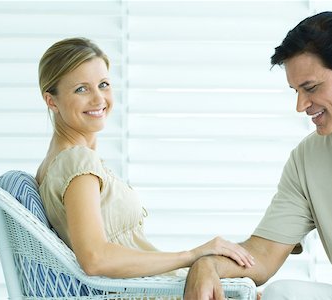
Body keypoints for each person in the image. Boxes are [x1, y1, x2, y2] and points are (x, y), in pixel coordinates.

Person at [184, 11, 332, 300]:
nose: (301, 105)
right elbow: (263, 254)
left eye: (310, 88)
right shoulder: (308, 158)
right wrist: (206, 264)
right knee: (281, 293)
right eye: (296, 91)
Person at [35, 37, 255, 279]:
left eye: (104, 84)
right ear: (51, 101)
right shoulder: (77, 162)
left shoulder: (55, 164)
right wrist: (192, 255)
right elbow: (95, 259)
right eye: (82, 89)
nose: (99, 99)